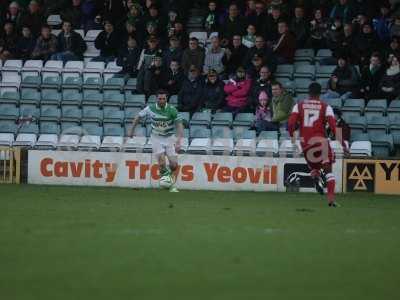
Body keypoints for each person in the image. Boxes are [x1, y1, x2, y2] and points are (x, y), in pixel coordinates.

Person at [288, 82, 340, 207]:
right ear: (320, 93)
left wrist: (293, 137)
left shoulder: (298, 106)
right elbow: (334, 127)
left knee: (315, 166)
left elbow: (290, 124)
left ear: (308, 92)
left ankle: (316, 177)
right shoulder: (325, 106)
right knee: (328, 171)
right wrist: (343, 143)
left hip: (306, 144)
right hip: (321, 142)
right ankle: (331, 200)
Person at [130, 89, 183, 193]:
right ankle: (169, 184)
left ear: (166, 99)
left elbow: (180, 125)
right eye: (160, 99)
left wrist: (178, 141)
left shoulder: (172, 110)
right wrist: (131, 130)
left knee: (174, 165)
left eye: (164, 99)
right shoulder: (150, 108)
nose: (162, 100)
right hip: (156, 138)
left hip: (169, 138)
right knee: (162, 162)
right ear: (156, 99)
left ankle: (166, 180)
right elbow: (138, 117)